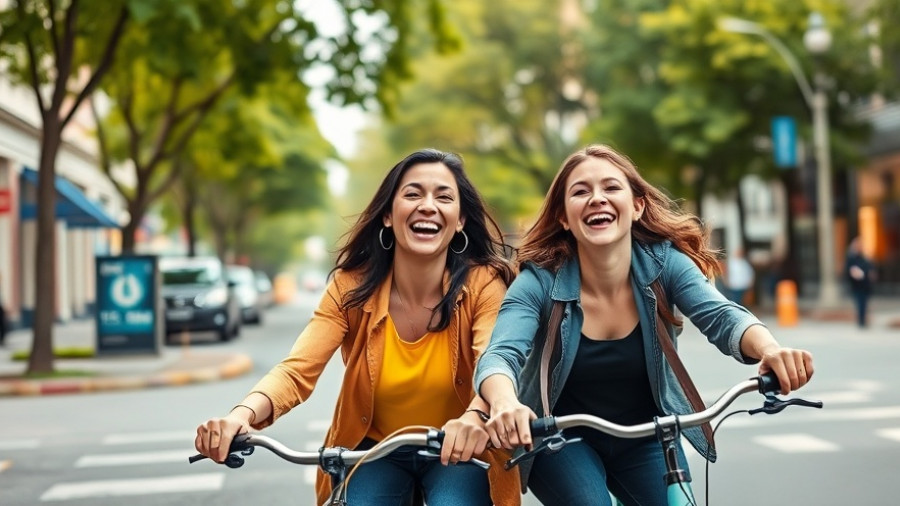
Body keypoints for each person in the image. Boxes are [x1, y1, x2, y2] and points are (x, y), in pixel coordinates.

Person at [474, 145, 815, 505]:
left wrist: (771, 350)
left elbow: (722, 315)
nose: (597, 199)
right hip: (559, 438)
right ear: (563, 217)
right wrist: (505, 403)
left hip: (648, 434)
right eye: (580, 191)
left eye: (610, 187)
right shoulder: (540, 281)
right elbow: (500, 355)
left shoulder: (664, 264)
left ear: (636, 206)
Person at [194, 149, 519, 505]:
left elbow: (494, 360)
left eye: (444, 197)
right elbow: (297, 370)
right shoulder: (349, 287)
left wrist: (475, 416)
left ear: (459, 220)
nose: (428, 205)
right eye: (412, 194)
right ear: (386, 216)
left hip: (460, 449)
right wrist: (241, 416)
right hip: (375, 449)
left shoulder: (484, 284)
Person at [845, 236, 875, 328]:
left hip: (866, 284)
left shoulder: (864, 257)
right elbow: (849, 271)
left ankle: (863, 320)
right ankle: (861, 321)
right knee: (860, 303)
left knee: (864, 303)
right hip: (857, 285)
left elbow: (870, 267)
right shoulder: (851, 258)